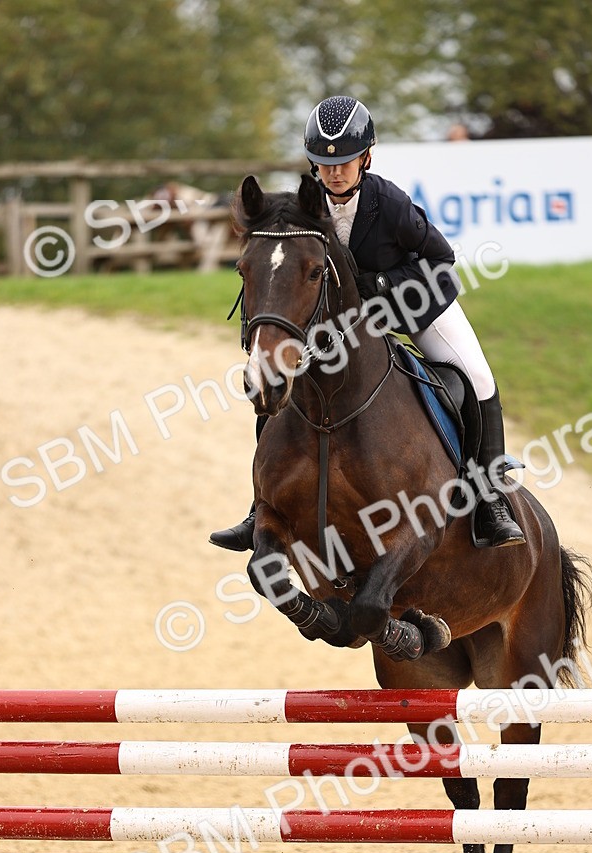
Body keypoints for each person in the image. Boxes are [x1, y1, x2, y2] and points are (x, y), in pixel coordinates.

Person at [210, 96, 524, 552]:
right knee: (276, 379)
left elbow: (442, 259)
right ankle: (260, 506)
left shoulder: (389, 202)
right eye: (323, 164)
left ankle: (490, 499)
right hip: (348, 323)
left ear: (367, 158)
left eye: (346, 163)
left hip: (414, 306)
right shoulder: (304, 206)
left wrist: (377, 283)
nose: (334, 173)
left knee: (477, 378)